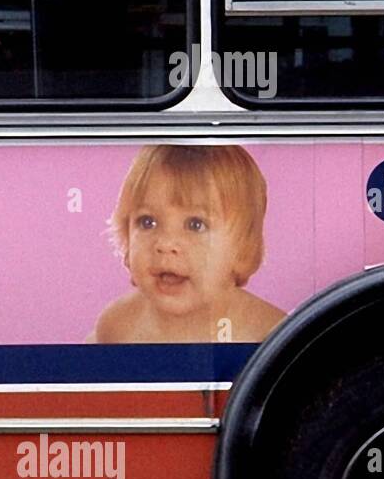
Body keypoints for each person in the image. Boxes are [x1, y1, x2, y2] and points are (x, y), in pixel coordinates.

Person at [89, 144, 286, 343]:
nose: (165, 244)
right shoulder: (117, 325)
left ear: (243, 250)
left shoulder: (269, 333)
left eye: (195, 225)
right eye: (147, 222)